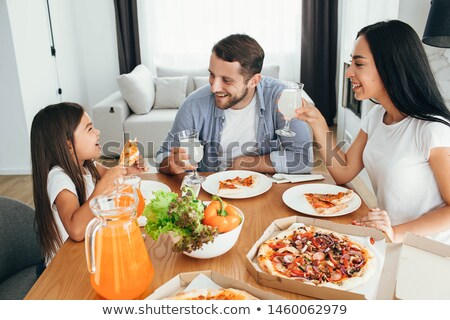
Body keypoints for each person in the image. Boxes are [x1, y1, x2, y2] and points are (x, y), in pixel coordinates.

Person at [295, 20, 450, 244]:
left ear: (391, 66)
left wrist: (396, 232)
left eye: (359, 64)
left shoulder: (432, 130)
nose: (348, 72)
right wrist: (318, 123)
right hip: (386, 239)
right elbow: (344, 172)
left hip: (426, 252)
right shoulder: (377, 116)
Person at [156, 34, 313, 175]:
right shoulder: (193, 105)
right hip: (211, 191)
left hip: (261, 187)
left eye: (227, 80)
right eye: (212, 75)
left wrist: (248, 163)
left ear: (254, 81)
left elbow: (303, 159)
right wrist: (170, 164)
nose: (214, 87)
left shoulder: (281, 97)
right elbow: (162, 157)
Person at [31, 102, 145, 263]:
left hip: (89, 250)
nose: (98, 132)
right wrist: (103, 186)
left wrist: (128, 169)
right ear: (68, 144)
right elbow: (76, 230)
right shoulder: (58, 178)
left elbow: (112, 176)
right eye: (90, 129)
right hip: (65, 267)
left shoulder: (87, 165)